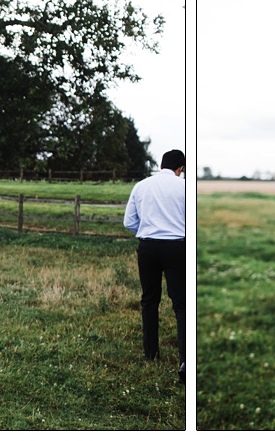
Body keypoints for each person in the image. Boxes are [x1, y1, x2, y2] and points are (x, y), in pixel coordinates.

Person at [124, 149, 187, 382]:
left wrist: (147, 230)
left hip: (148, 246)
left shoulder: (141, 186)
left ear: (161, 165)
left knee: (149, 300)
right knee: (181, 304)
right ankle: (184, 360)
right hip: (177, 247)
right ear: (180, 169)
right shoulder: (185, 188)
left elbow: (128, 222)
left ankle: (151, 353)